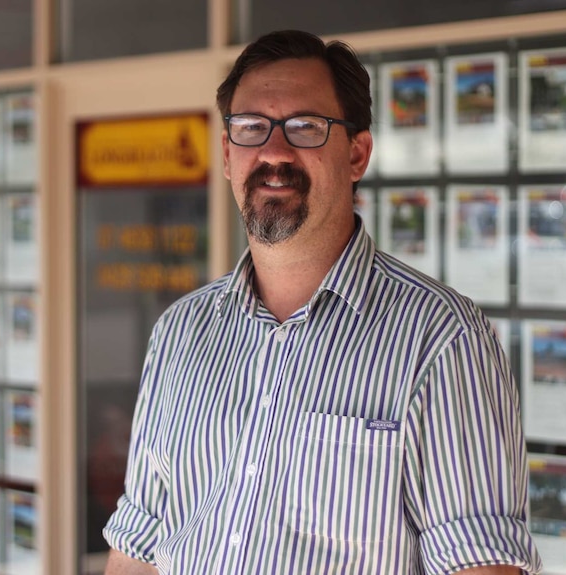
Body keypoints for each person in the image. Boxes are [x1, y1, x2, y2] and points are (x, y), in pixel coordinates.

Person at [103, 30, 542, 575]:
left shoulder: (443, 338)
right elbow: (139, 542)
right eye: (250, 128)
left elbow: (481, 564)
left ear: (357, 154)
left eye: (306, 127)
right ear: (225, 153)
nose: (274, 152)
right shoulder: (180, 332)